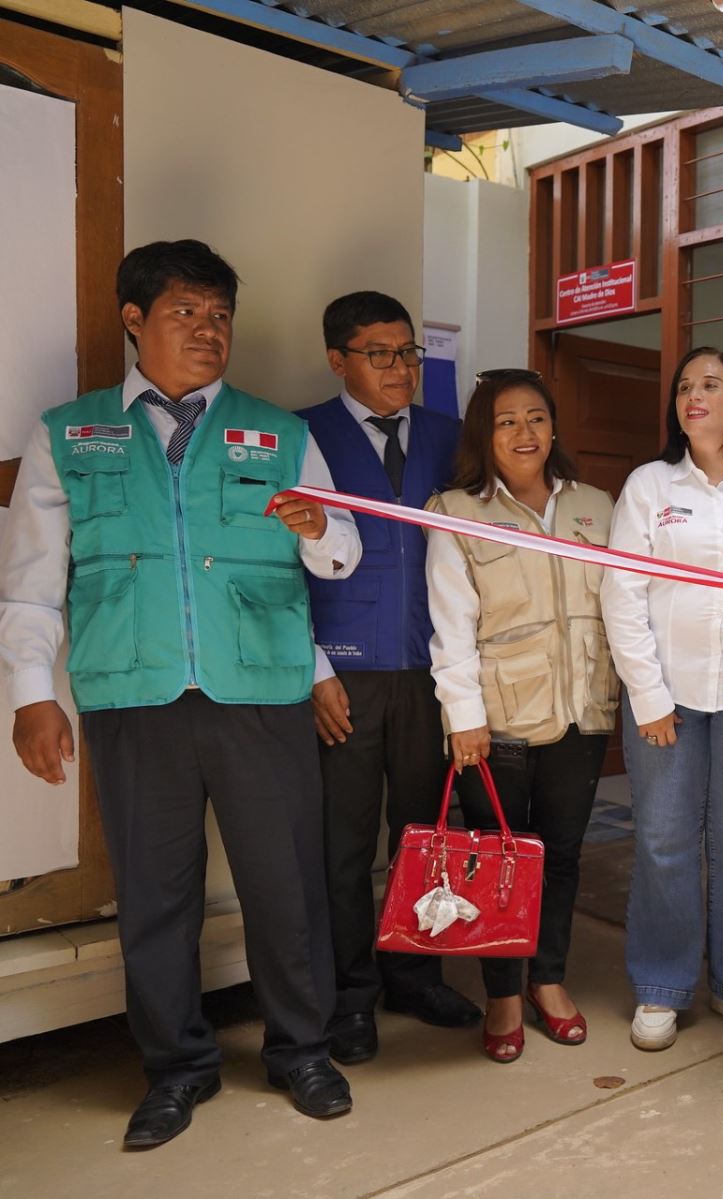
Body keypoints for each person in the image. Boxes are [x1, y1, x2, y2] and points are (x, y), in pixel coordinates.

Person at [0, 239, 362, 1147]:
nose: (209, 330)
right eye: (186, 312)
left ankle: (302, 1049)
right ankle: (175, 1066)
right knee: (157, 894)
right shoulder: (68, 434)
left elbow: (342, 551)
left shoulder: (280, 432)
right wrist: (30, 691)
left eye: (220, 315)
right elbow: (33, 581)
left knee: (285, 882)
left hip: (261, 691)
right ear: (135, 319)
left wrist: (322, 526)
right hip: (134, 694)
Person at [299, 291, 479, 1066]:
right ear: (339, 359)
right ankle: (350, 995)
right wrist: (310, 671)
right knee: (342, 846)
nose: (400, 367)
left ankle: (415, 971)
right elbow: (274, 567)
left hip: (430, 671)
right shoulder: (300, 433)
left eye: (407, 352)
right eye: (379, 353)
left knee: (423, 836)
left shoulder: (450, 436)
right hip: (343, 675)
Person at [423, 369, 618, 1063]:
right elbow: (451, 625)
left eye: (536, 417)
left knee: (560, 855)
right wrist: (463, 715)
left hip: (581, 711)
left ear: (554, 427)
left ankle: (550, 979)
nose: (524, 432)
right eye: (506, 421)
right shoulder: (454, 510)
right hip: (496, 719)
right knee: (499, 859)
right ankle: (503, 990)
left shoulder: (597, 506)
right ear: (485, 433)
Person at [602, 347, 723, 1052]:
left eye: (712, 385)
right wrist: (646, 691)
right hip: (665, 694)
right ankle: (661, 984)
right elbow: (622, 591)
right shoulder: (649, 485)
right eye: (684, 387)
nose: (694, 396)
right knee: (664, 838)